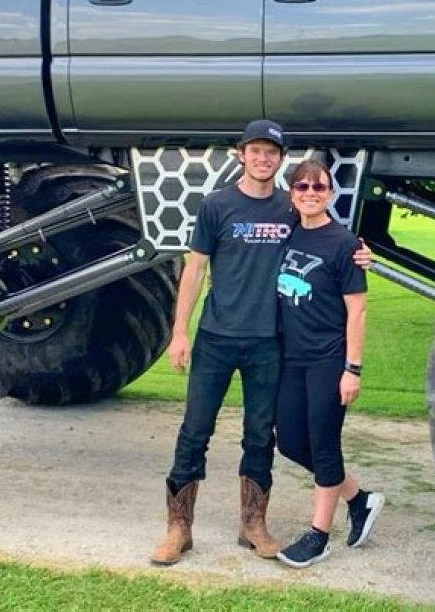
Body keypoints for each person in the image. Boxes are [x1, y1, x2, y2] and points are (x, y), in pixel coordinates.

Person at [150, 120, 370, 566]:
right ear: (241, 154)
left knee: (259, 436)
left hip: (269, 343)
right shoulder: (216, 205)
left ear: (280, 159)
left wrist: (359, 253)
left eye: (272, 152)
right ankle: (178, 528)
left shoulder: (289, 207)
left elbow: (324, 236)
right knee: (195, 431)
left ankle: (253, 525)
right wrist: (180, 331)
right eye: (256, 151)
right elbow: (194, 269)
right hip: (216, 338)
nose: (263, 159)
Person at [274, 159, 384, 569]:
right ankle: (358, 498)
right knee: (290, 442)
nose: (310, 193)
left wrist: (352, 369)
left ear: (330, 194)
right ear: (292, 194)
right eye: (302, 187)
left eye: (318, 187)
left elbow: (357, 310)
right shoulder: (288, 232)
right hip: (291, 359)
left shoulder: (345, 244)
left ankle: (318, 536)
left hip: (328, 360)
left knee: (323, 444)